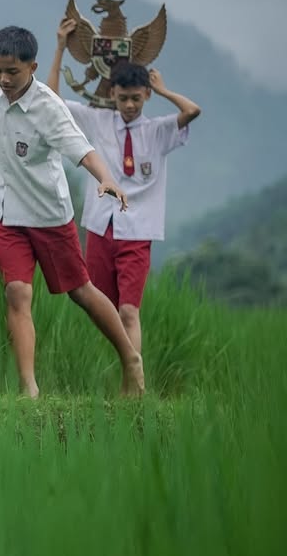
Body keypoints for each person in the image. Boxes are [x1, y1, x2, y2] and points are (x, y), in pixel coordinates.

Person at [0, 25, 145, 397]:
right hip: (6, 213)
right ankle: (29, 390)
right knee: (16, 293)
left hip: (48, 216)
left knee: (81, 291)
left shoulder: (49, 109)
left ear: (33, 67)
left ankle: (130, 359)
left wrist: (107, 179)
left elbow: (83, 150)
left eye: (13, 72)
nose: (4, 80)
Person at [47, 18, 201, 354]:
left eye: (137, 98)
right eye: (123, 98)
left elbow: (192, 110)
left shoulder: (159, 131)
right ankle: (123, 373)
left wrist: (163, 90)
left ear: (145, 94)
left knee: (129, 310)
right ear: (112, 94)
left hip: (138, 231)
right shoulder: (98, 120)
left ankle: (135, 382)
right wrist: (60, 46)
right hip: (101, 227)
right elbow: (52, 100)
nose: (130, 106)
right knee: (101, 309)